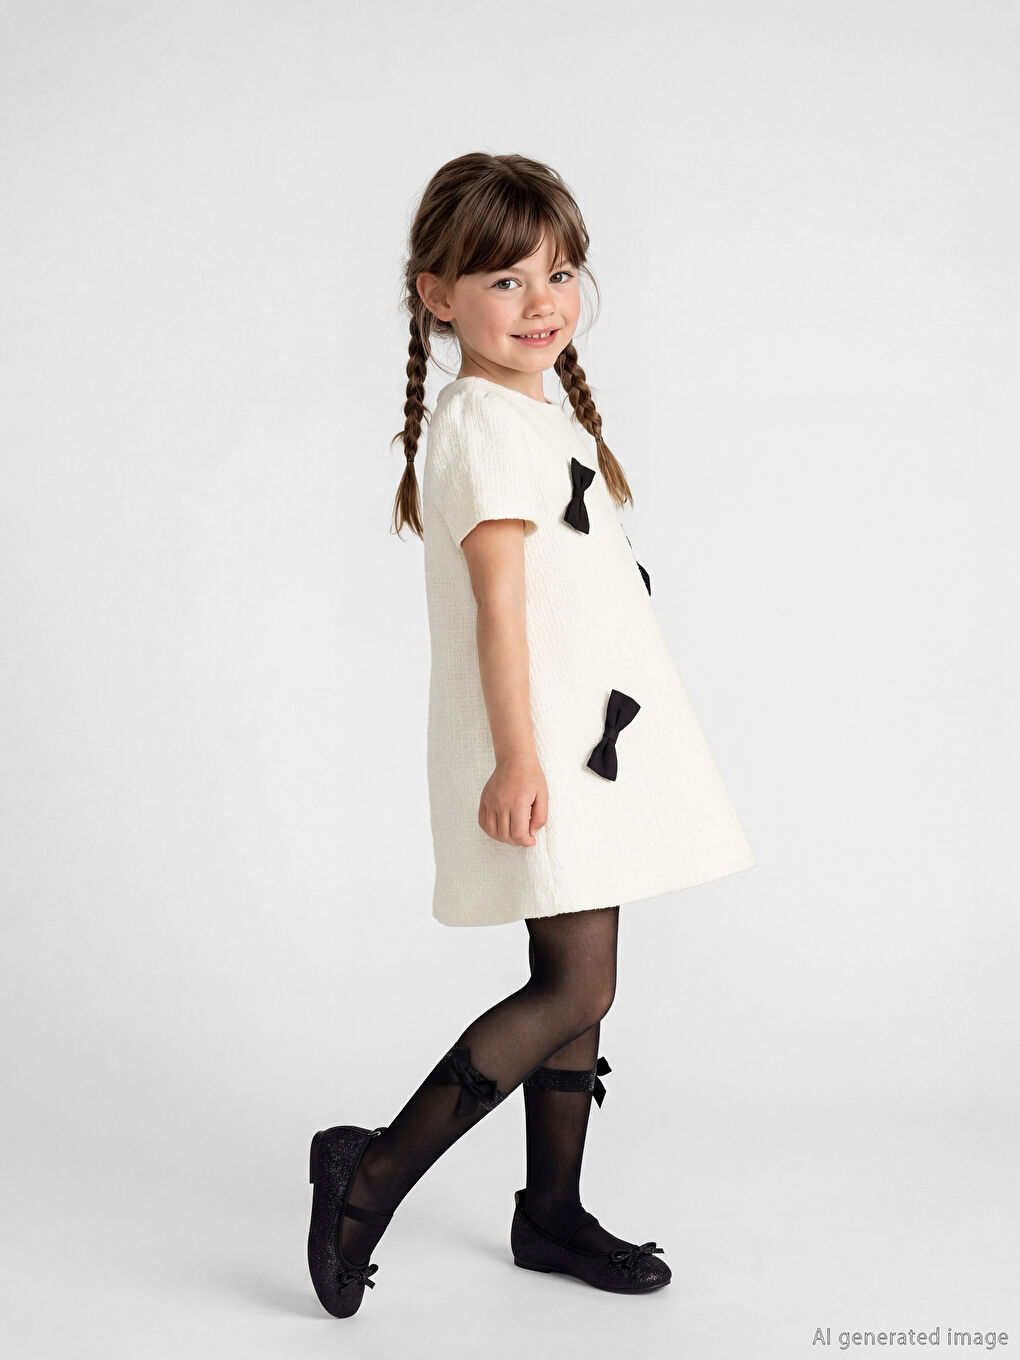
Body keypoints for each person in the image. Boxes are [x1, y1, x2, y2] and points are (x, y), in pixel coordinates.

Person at [307, 152, 757, 1319]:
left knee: (580, 986)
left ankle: (550, 1212)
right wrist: (517, 756)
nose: (541, 301)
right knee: (575, 982)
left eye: (558, 274)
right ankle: (369, 1175)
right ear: (437, 295)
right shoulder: (480, 426)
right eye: (505, 280)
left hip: (590, 747)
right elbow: (498, 608)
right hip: (547, 748)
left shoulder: (533, 418)